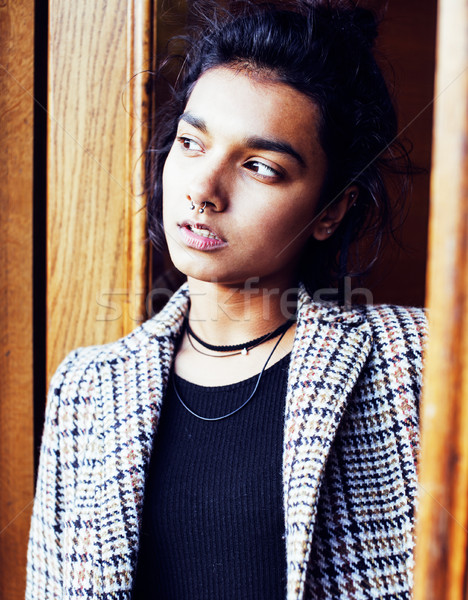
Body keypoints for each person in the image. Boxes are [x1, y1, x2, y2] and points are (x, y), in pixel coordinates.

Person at [26, 2, 427, 599]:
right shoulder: (86, 391)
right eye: (192, 143)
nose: (204, 191)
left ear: (331, 210)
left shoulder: (410, 362)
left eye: (260, 166)